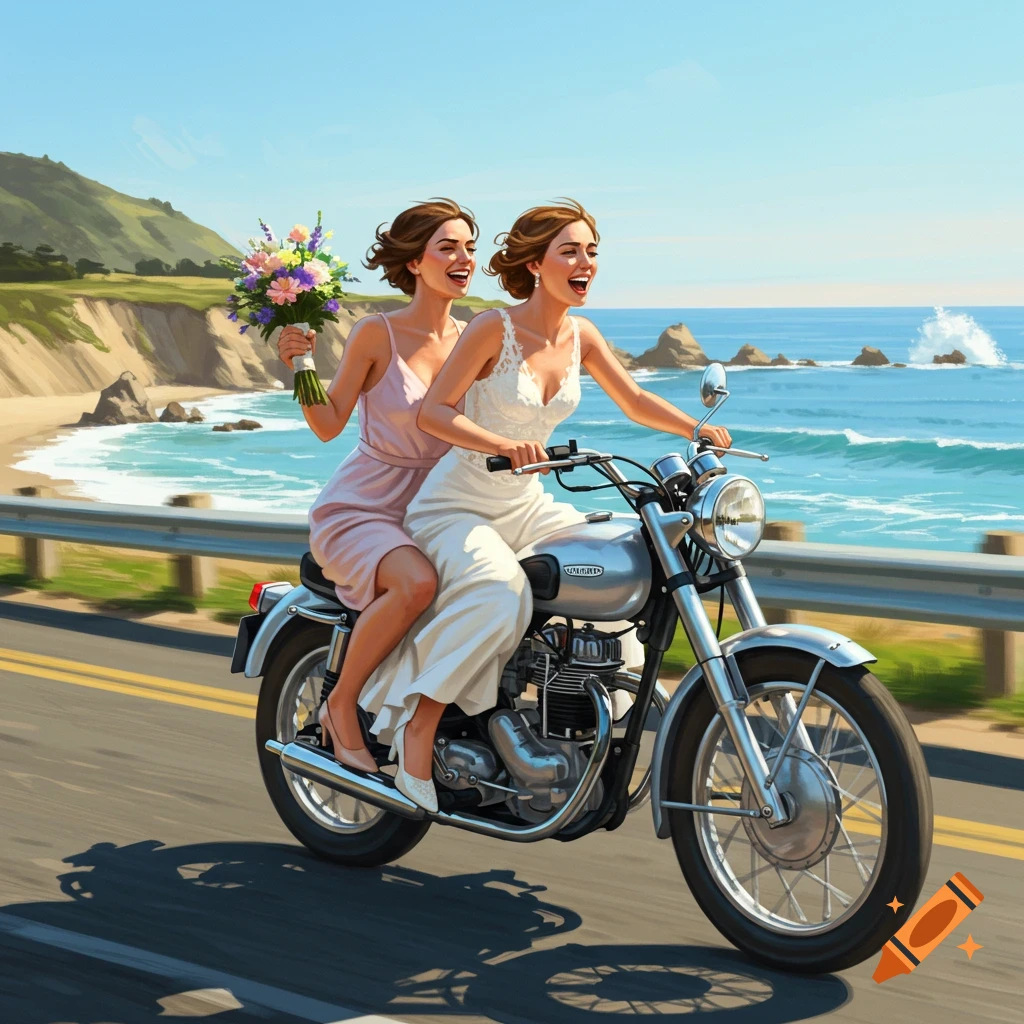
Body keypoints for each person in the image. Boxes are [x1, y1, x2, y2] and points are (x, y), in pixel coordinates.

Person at [361, 198, 732, 811]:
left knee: (625, 566)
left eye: (592, 252)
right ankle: (418, 730)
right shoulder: (492, 328)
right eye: (570, 252)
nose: (585, 263)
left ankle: (576, 724)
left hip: (526, 502)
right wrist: (502, 445)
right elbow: (435, 412)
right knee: (499, 594)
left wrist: (695, 428)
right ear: (535, 264)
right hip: (458, 505)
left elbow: (634, 399)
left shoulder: (581, 335)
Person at [276, 199, 477, 796]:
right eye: (448, 247)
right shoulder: (377, 333)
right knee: (415, 584)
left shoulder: (474, 337)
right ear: (415, 262)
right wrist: (301, 363)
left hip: (440, 505)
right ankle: (341, 705)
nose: (464, 258)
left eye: (470, 247)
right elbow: (327, 424)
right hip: (365, 507)